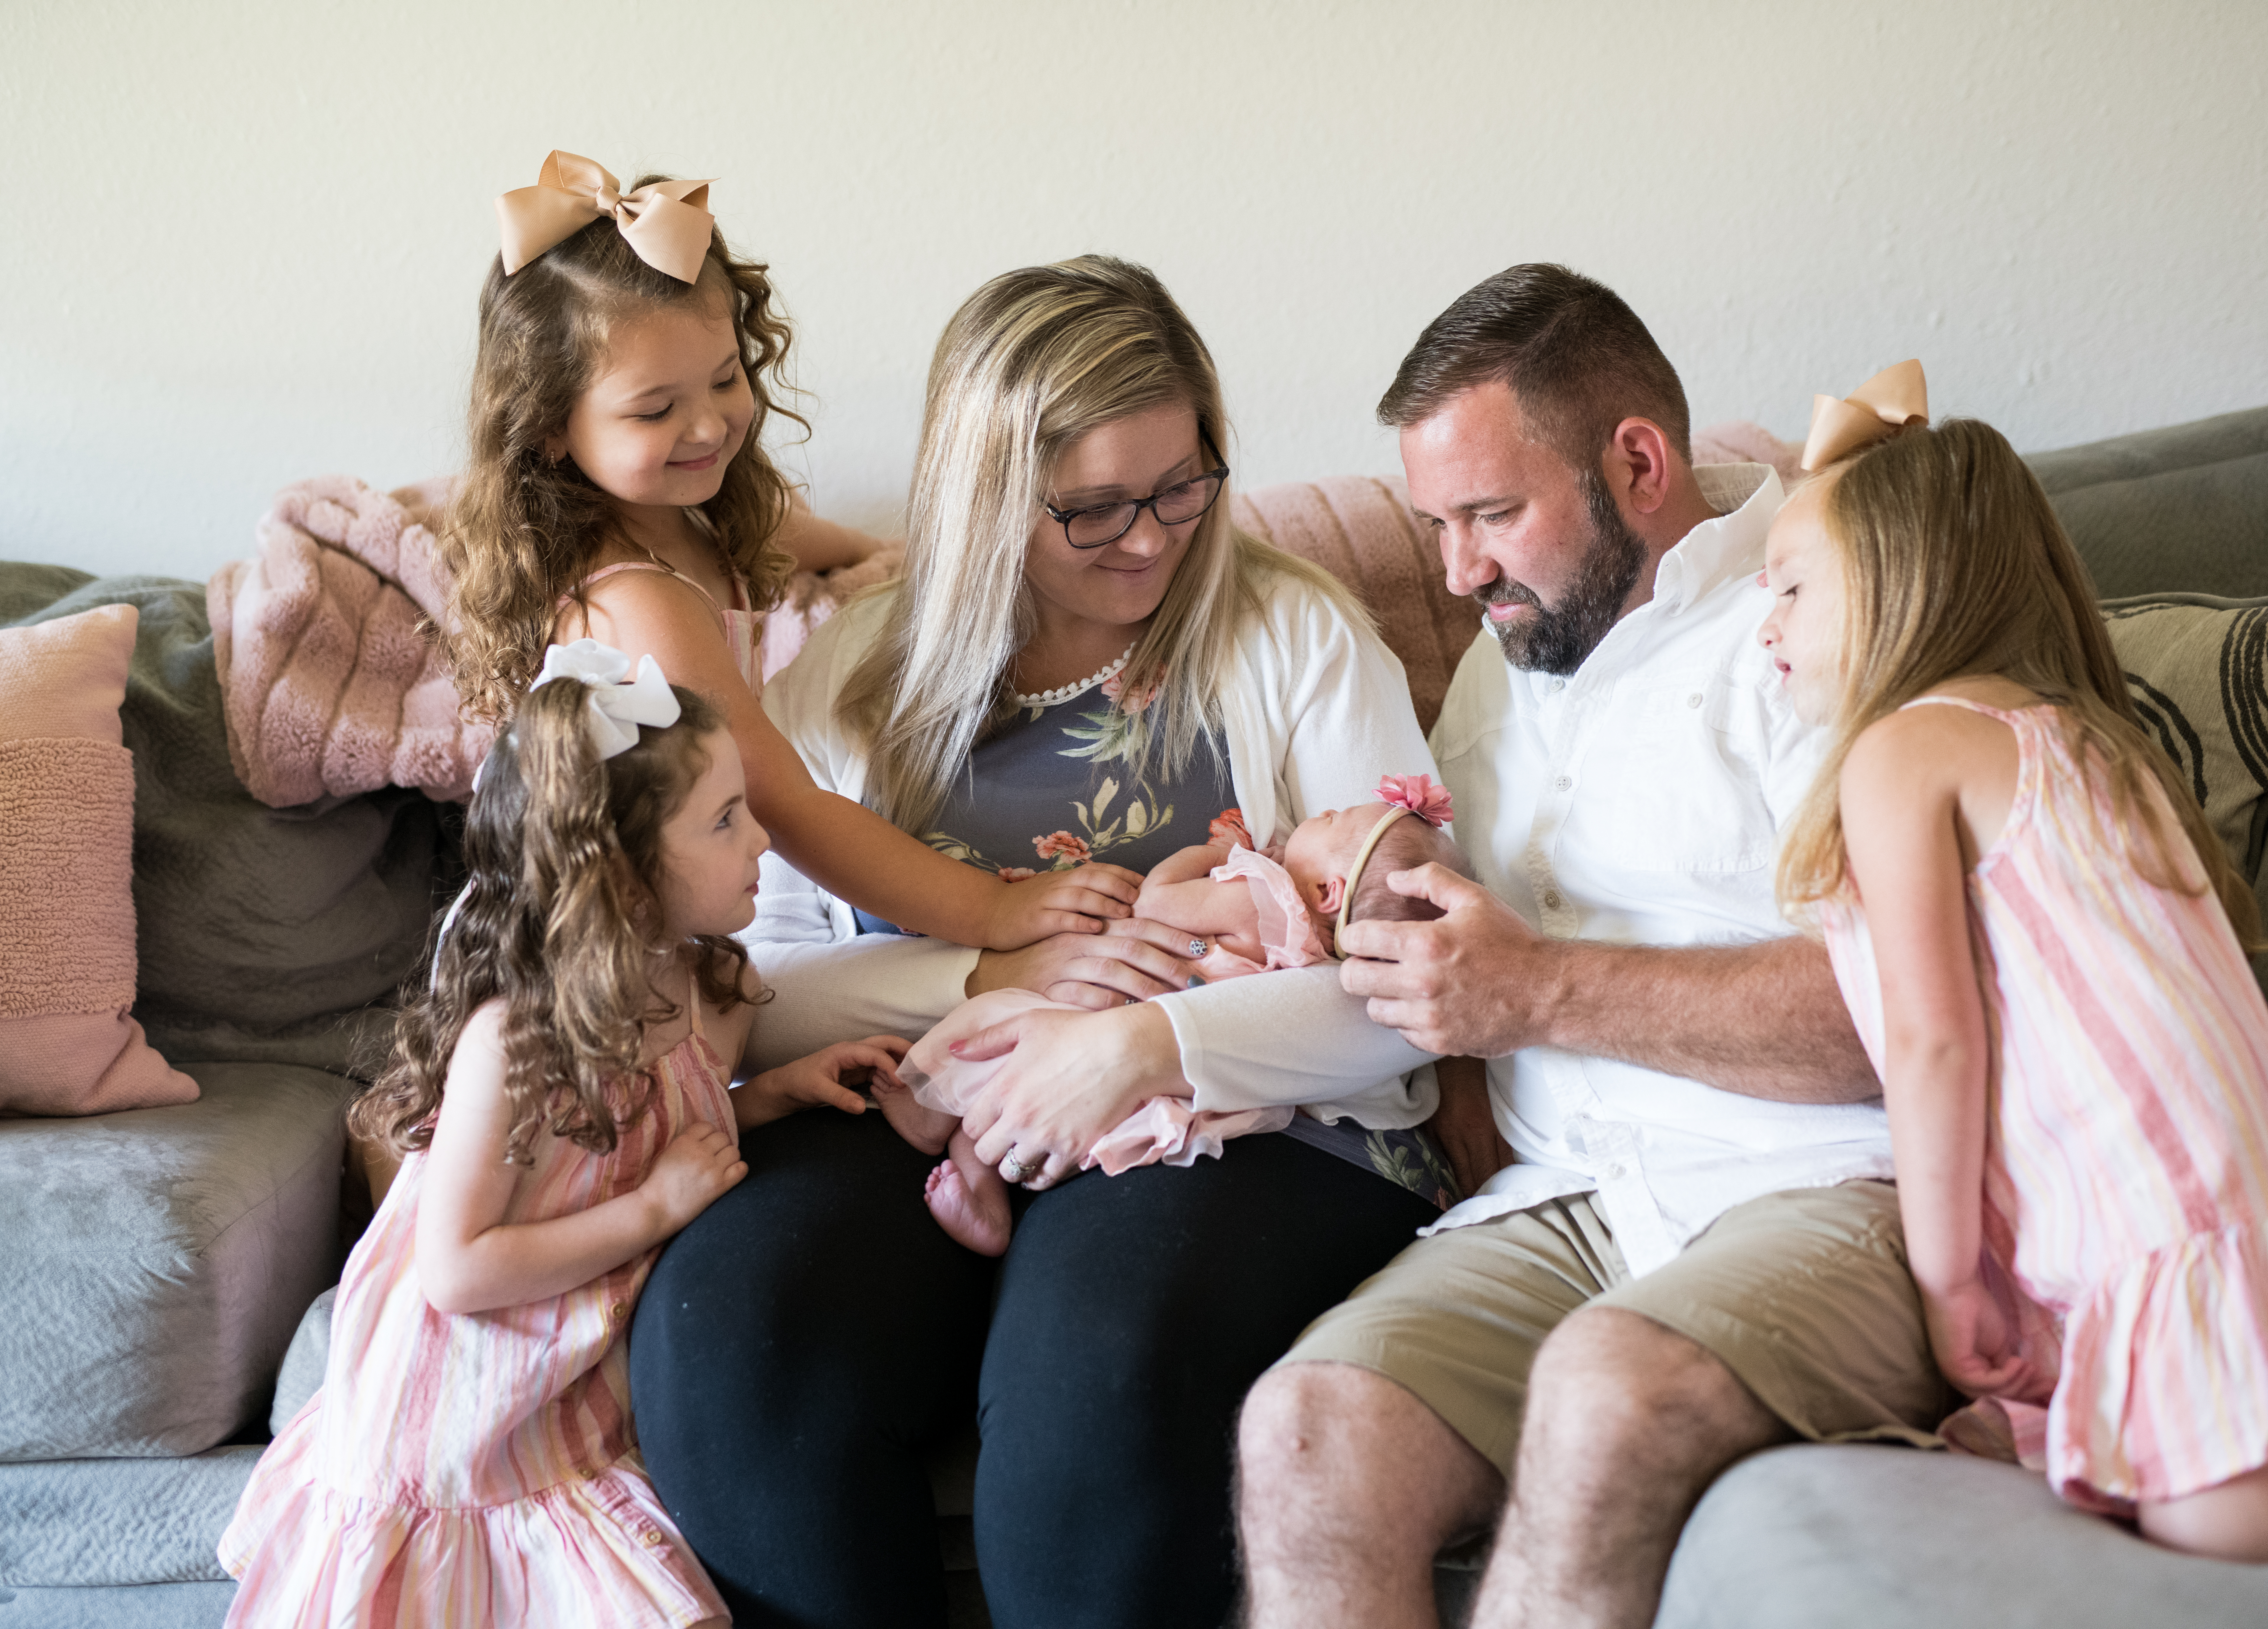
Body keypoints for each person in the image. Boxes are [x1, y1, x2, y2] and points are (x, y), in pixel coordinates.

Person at [627, 255, 1459, 1628]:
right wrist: (996, 974)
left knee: (1100, 1371)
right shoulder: (855, 679)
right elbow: (749, 993)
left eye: (1182, 485)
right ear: (987, 500)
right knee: (734, 1335)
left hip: (1251, 1117)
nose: (1150, 537)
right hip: (928, 1106)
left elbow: (1411, 980)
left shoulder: (1292, 634)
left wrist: (1136, 1042)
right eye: (1092, 509)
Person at [1237, 267, 1941, 1629]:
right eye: (1434, 526)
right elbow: (1462, 943)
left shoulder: (1811, 624)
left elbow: (1896, 1014)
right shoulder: (1509, 655)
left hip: (1821, 1185)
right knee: (1306, 1430)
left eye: (1492, 514)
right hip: (1565, 1197)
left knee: (1602, 1396)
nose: (1456, 573)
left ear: (1636, 461)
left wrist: (1535, 993)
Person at [1762, 405, 2268, 1560]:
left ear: (1900, 580)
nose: (1767, 628)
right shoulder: (2081, 735)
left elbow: (1934, 1043)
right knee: (2116, 1473)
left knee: (2240, 1522)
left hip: (2168, 1203)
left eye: (1793, 589)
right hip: (2193, 1193)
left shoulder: (1905, 749)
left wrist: (1946, 1277)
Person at [217, 643, 912, 1627]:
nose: (763, 839)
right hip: (472, 1381)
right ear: (621, 878)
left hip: (579, 1330)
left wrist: (771, 1095)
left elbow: (659, 1136)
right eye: (723, 820)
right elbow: (459, 1266)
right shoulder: (517, 1037)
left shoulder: (695, 980)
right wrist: (654, 1210)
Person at [436, 150, 1135, 952]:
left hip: (694, 875)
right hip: (605, 951)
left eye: (727, 379)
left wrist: (890, 555)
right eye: (655, 410)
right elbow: (785, 804)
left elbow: (787, 532)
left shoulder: (677, 515)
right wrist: (994, 914)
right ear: (551, 427)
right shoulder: (644, 605)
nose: (707, 428)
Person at [889, 776, 1473, 1255]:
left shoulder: (1262, 892)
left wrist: (1212, 855)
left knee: (997, 1015)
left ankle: (923, 1110)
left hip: (1110, 1007)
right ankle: (986, 1194)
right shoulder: (1314, 954)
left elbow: (1159, 904)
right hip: (1188, 1085)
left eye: (1334, 818)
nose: (1320, 810)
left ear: (1327, 890)